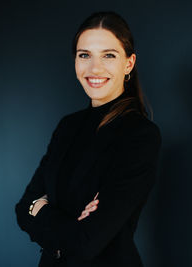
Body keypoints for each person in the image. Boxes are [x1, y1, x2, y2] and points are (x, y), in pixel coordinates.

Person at [15, 11, 161, 267]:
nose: (95, 68)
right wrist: (67, 229)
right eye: (85, 55)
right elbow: (23, 208)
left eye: (108, 55)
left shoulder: (140, 135)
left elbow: (86, 242)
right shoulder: (67, 127)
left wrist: (42, 210)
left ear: (129, 63)